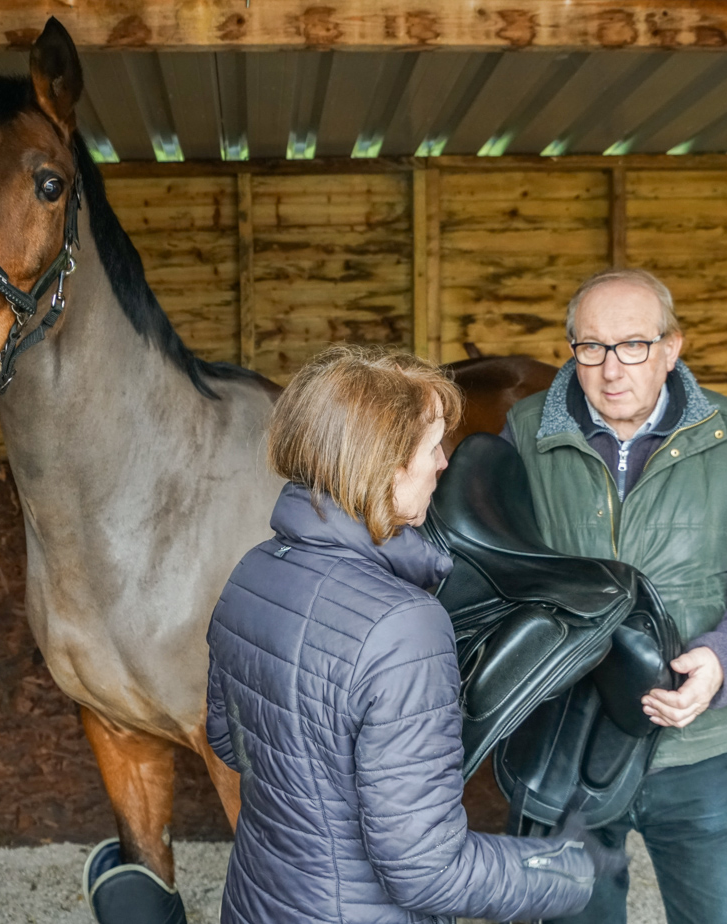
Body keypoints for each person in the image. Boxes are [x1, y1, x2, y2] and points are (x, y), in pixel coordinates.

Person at [206, 345, 617, 924]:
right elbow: (427, 870)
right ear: (383, 464)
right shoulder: (404, 625)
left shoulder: (253, 570)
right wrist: (566, 867)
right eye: (432, 447)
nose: (444, 464)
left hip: (260, 900)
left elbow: (233, 743)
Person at [500, 268, 727, 924]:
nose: (610, 368)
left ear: (670, 348)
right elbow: (493, 574)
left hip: (697, 751)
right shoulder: (523, 433)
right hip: (566, 747)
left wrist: (724, 662)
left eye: (632, 345)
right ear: (571, 350)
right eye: (590, 346)